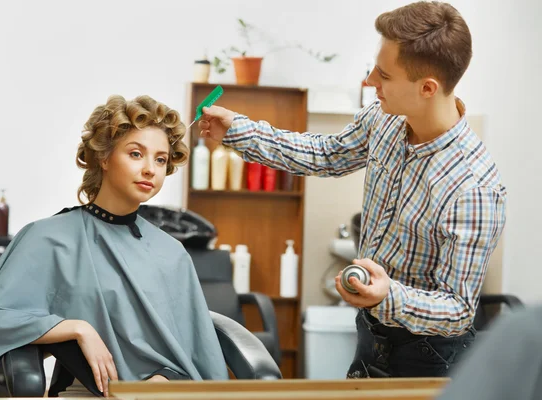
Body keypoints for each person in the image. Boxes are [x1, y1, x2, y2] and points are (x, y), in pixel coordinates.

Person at [198, 1, 506, 378]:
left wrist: (388, 295)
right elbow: (326, 154)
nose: (370, 82)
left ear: (427, 87)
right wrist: (239, 130)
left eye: (384, 75)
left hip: (431, 356)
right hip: (371, 332)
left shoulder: (474, 187)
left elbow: (457, 310)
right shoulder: (385, 121)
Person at [0, 95, 229, 397]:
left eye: (160, 159)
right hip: (91, 391)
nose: (150, 169)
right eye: (136, 154)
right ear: (104, 157)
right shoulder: (49, 237)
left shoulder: (172, 252)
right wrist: (77, 328)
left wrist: (165, 381)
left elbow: (198, 353)